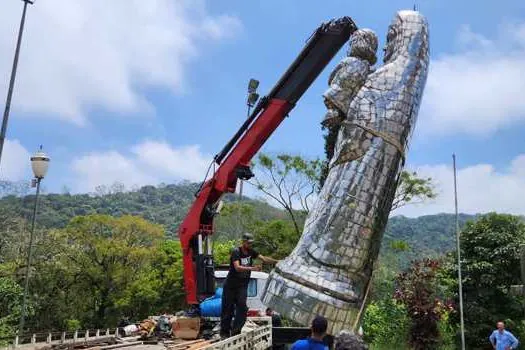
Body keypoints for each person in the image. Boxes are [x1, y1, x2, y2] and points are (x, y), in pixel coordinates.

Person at [220, 233, 278, 338]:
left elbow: (264, 259)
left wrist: (277, 261)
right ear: (243, 242)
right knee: (227, 309)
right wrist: (252, 268)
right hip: (231, 285)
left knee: (242, 307)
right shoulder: (236, 252)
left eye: (251, 243)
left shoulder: (251, 252)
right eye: (248, 242)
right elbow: (237, 267)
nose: (250, 245)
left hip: (242, 285)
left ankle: (235, 332)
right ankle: (224, 333)